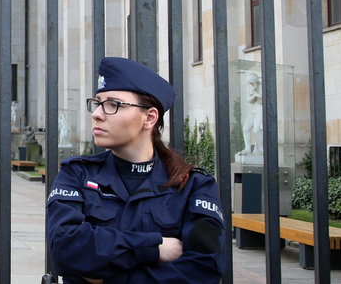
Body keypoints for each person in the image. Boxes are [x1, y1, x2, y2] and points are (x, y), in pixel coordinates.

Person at [46, 57, 225, 283]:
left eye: (113, 104)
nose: (97, 114)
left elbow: (204, 268)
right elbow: (65, 249)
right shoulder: (77, 175)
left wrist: (105, 277)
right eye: (98, 103)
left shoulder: (193, 185)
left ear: (149, 117)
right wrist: (154, 248)